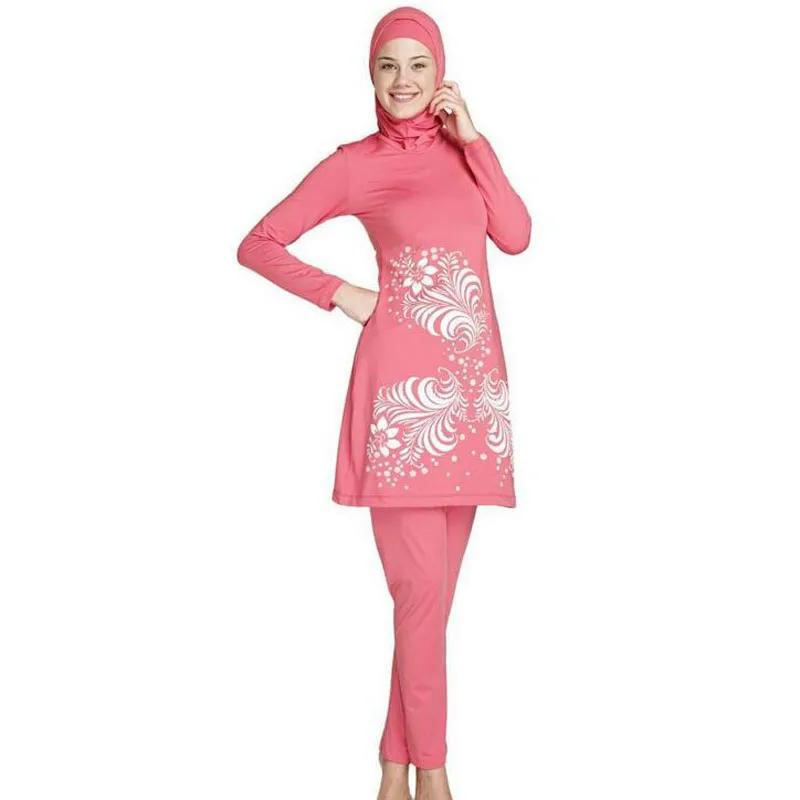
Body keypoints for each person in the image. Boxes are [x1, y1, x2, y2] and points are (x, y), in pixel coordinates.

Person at [236, 6, 531, 799]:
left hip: (472, 403)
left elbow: (515, 235)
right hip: (404, 407)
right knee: (420, 598)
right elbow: (258, 243)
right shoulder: (354, 165)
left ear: (441, 74)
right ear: (370, 75)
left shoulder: (467, 155)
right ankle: (432, 773)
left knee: (429, 607)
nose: (403, 80)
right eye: (387, 65)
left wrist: (476, 139)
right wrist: (343, 293)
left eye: (418, 65)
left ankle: (391, 768)